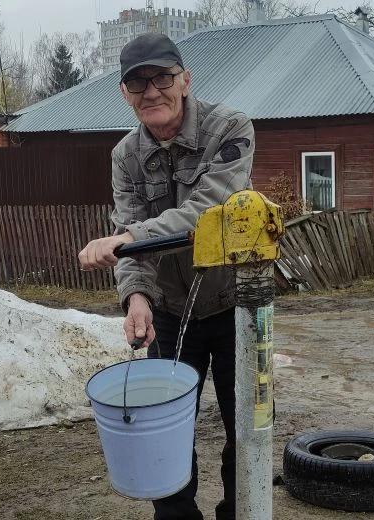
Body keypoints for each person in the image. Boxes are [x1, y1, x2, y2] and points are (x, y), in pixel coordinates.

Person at [77, 33, 254, 520]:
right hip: (174, 312)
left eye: (162, 78)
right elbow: (131, 234)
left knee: (248, 426)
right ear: (124, 94)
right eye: (138, 83)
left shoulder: (231, 127)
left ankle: (242, 511)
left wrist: (130, 236)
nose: (151, 92)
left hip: (241, 306)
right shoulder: (125, 155)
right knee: (166, 429)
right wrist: (137, 299)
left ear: (185, 79)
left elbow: (210, 208)